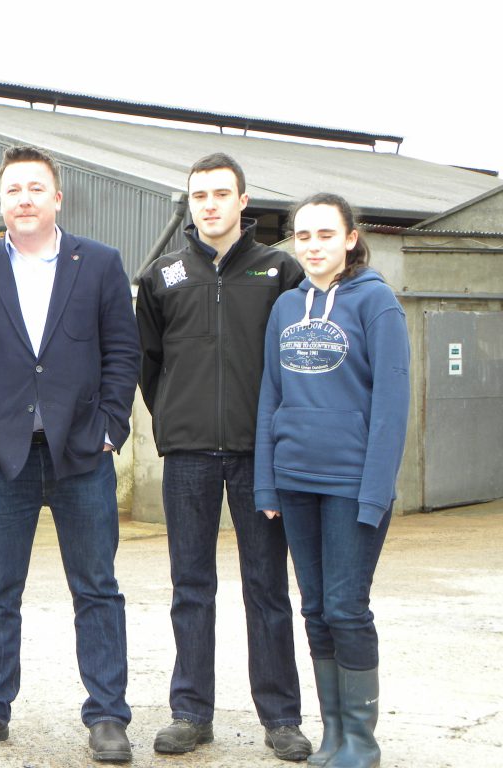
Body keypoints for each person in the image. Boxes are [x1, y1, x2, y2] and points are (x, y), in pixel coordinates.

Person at [0, 145, 141, 764]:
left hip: (82, 453)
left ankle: (107, 714)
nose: (24, 199)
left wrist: (110, 426)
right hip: (2, 456)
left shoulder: (100, 264)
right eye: (13, 190)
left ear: (58, 198)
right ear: (1, 201)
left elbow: (121, 354)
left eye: (35, 188)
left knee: (97, 587)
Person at [136, 152, 312, 760]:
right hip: (187, 456)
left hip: (258, 456)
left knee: (266, 587)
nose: (208, 204)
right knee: (191, 586)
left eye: (220, 194)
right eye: (198, 195)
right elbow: (149, 364)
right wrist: (177, 420)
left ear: (243, 202)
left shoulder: (280, 272)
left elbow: (295, 360)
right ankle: (190, 712)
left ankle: (281, 716)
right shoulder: (163, 276)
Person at [256, 193, 409, 768]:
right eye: (303, 236)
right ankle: (334, 737)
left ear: (350, 238)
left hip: (351, 484)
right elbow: (271, 394)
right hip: (296, 480)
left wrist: (375, 492)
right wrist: (266, 485)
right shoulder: (284, 308)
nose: (313, 245)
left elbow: (393, 407)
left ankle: (362, 744)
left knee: (347, 607)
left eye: (325, 234)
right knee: (315, 608)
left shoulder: (378, 304)